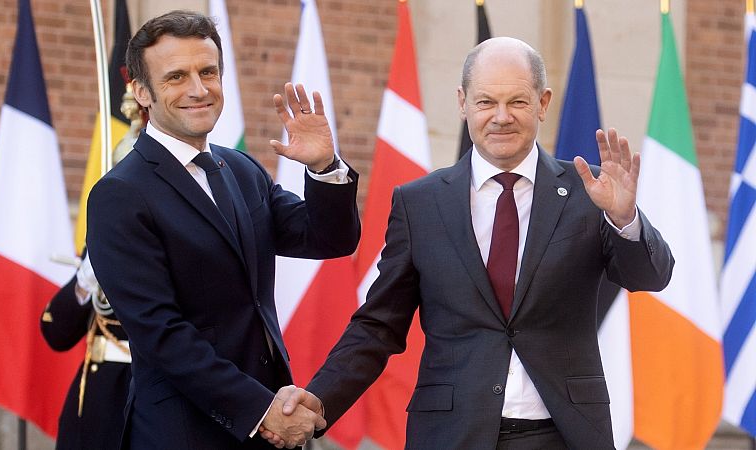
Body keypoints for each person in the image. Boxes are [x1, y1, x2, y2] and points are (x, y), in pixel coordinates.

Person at [268, 37, 674, 449]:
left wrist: (624, 218)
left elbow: (649, 277)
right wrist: (318, 399)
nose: (501, 117)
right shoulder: (420, 203)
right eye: (485, 103)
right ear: (462, 103)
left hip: (563, 434)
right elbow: (379, 324)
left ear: (543, 103)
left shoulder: (590, 193)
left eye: (517, 101)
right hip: (451, 434)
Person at [86, 10, 359, 450]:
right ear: (141, 92)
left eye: (208, 71)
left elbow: (328, 238)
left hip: (268, 429)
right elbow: (162, 334)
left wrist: (324, 168)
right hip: (183, 433)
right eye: (176, 77)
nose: (198, 89)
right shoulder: (118, 195)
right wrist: (261, 410)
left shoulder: (240, 169)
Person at [41, 254, 131, 450]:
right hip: (100, 394)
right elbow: (56, 333)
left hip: (156, 389)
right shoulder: (107, 233)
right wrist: (84, 283)